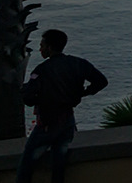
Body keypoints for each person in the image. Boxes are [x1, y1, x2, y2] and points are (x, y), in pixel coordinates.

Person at [16, 28, 108, 183]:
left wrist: (30, 93)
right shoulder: (78, 64)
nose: (40, 49)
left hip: (47, 123)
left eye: (42, 45)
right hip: (67, 122)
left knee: (27, 164)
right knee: (59, 164)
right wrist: (83, 93)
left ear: (50, 48)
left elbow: (29, 98)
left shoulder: (41, 70)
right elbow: (101, 81)